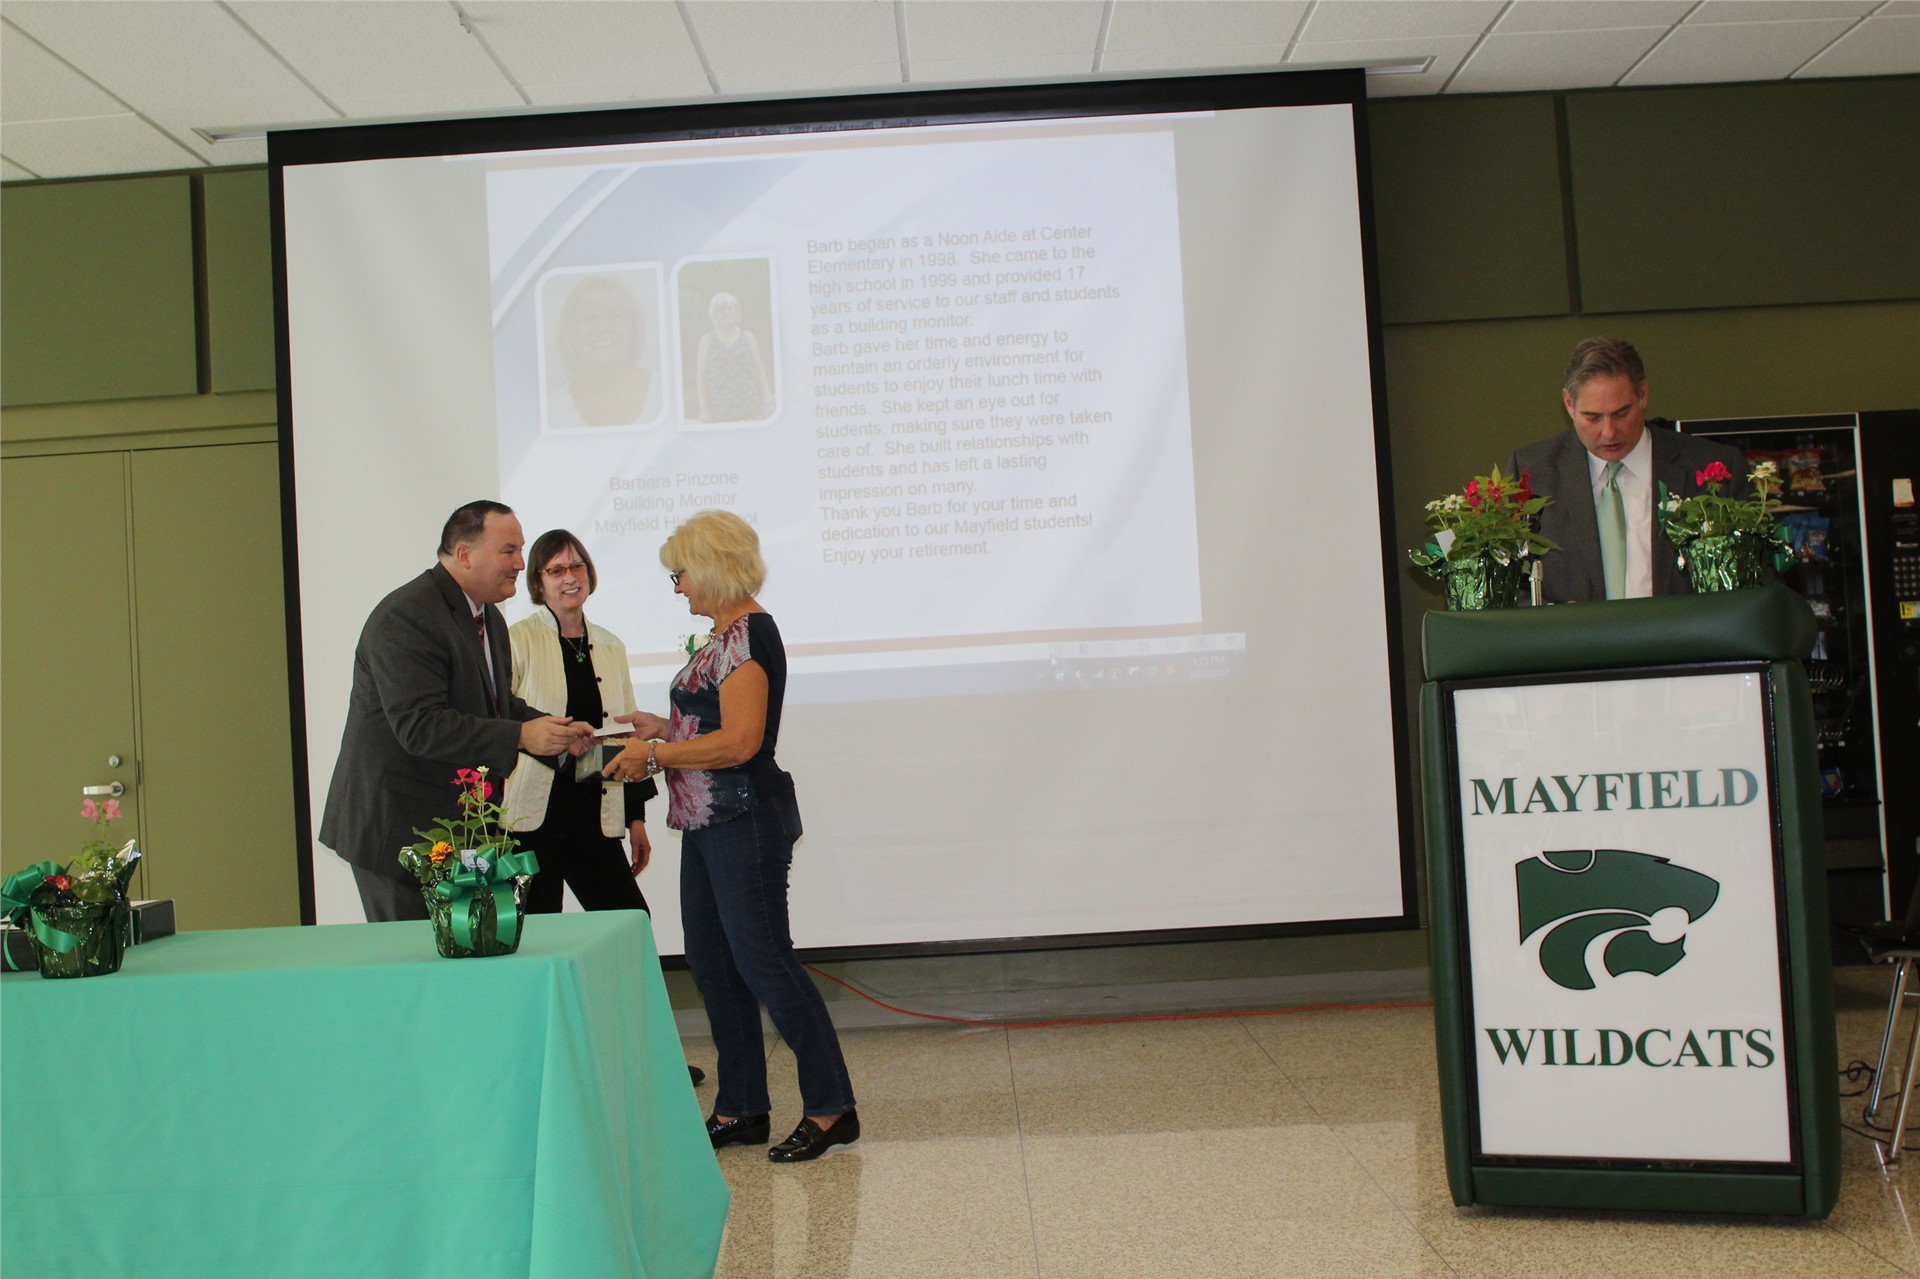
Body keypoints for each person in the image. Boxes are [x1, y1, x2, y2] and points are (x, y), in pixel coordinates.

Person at [604, 510, 858, 1162]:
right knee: (714, 966)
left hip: (743, 820)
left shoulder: (748, 636)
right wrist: (663, 727)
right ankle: (741, 1106)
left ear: (713, 567)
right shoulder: (724, 635)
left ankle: (832, 1107)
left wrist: (653, 755)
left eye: (680, 574)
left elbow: (743, 742)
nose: (678, 588)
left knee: (765, 962)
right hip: (707, 822)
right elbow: (714, 725)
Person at [320, 500, 592, 922]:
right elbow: (420, 725)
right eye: (509, 551)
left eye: (520, 550)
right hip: (398, 834)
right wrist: (521, 736)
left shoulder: (489, 617)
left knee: (459, 953)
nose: (521, 563)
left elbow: (495, 704)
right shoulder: (407, 616)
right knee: (416, 960)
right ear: (464, 554)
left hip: (453, 831)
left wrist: (551, 730)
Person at [504, 528, 706, 1088]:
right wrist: (554, 740)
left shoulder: (610, 645)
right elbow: (503, 721)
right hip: (531, 820)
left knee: (629, 930)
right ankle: (542, 1068)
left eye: (577, 567)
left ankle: (652, 1058)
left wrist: (637, 817)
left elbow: (626, 734)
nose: (569, 578)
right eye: (555, 570)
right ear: (538, 582)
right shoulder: (517, 641)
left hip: (595, 815)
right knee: (536, 940)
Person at [1511, 336, 1749, 604]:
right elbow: (1509, 591)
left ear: (1643, 395)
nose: (1609, 432)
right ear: (1568, 403)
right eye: (1593, 417)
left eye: (1621, 414)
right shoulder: (1532, 473)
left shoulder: (1714, 469)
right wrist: (1553, 618)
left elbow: (1755, 585)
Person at [551, 275, 656, 428]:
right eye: (586, 318)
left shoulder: (668, 393)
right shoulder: (553, 412)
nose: (601, 328)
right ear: (569, 333)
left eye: (615, 315)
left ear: (635, 327)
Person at [694, 292, 773, 423]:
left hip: (750, 409)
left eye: (731, 309)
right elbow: (701, 377)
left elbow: (759, 370)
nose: (728, 312)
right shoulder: (706, 340)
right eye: (722, 310)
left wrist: (767, 398)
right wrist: (704, 408)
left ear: (736, 312)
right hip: (719, 411)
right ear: (715, 315)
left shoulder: (748, 337)